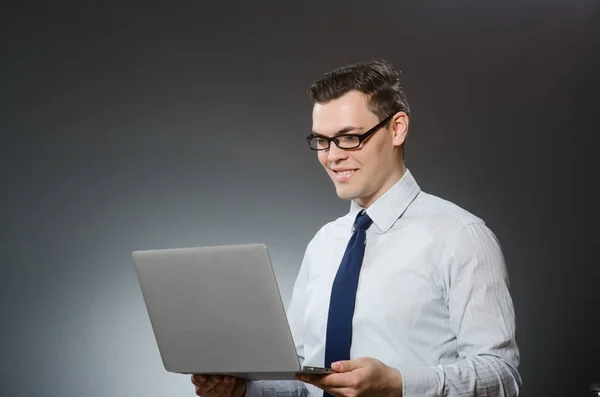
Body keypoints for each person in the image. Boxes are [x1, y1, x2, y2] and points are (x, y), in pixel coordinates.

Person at [191, 59, 521, 397]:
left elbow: (502, 375)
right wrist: (242, 391)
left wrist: (397, 385)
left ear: (397, 129)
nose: (332, 156)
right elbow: (303, 375)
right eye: (321, 140)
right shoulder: (324, 243)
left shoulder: (460, 236)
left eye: (349, 137)